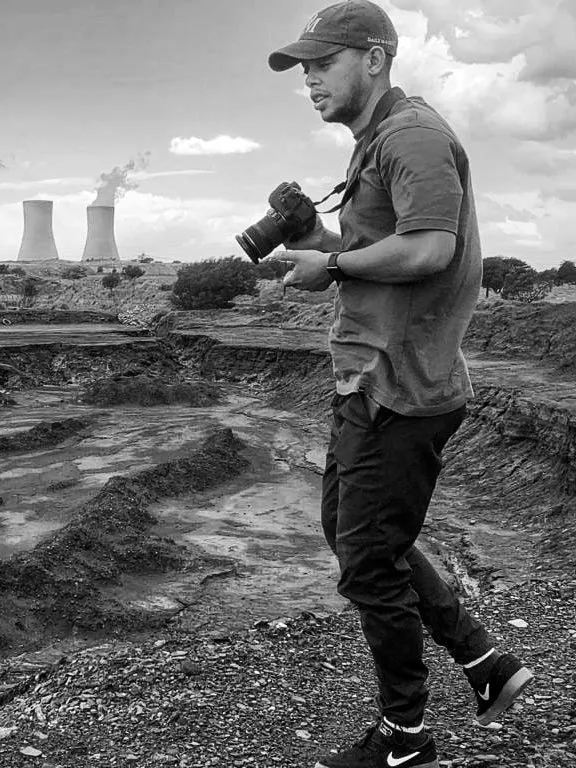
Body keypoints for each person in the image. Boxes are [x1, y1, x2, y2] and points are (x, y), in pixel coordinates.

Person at [264, 3, 534, 767]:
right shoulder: (376, 140)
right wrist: (316, 244)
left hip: (403, 390)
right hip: (367, 380)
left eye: (324, 62)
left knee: (367, 563)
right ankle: (485, 664)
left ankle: (406, 737)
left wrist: (338, 265)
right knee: (357, 540)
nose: (310, 78)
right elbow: (374, 244)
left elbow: (428, 249)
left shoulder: (412, 135)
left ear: (375, 58)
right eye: (303, 67)